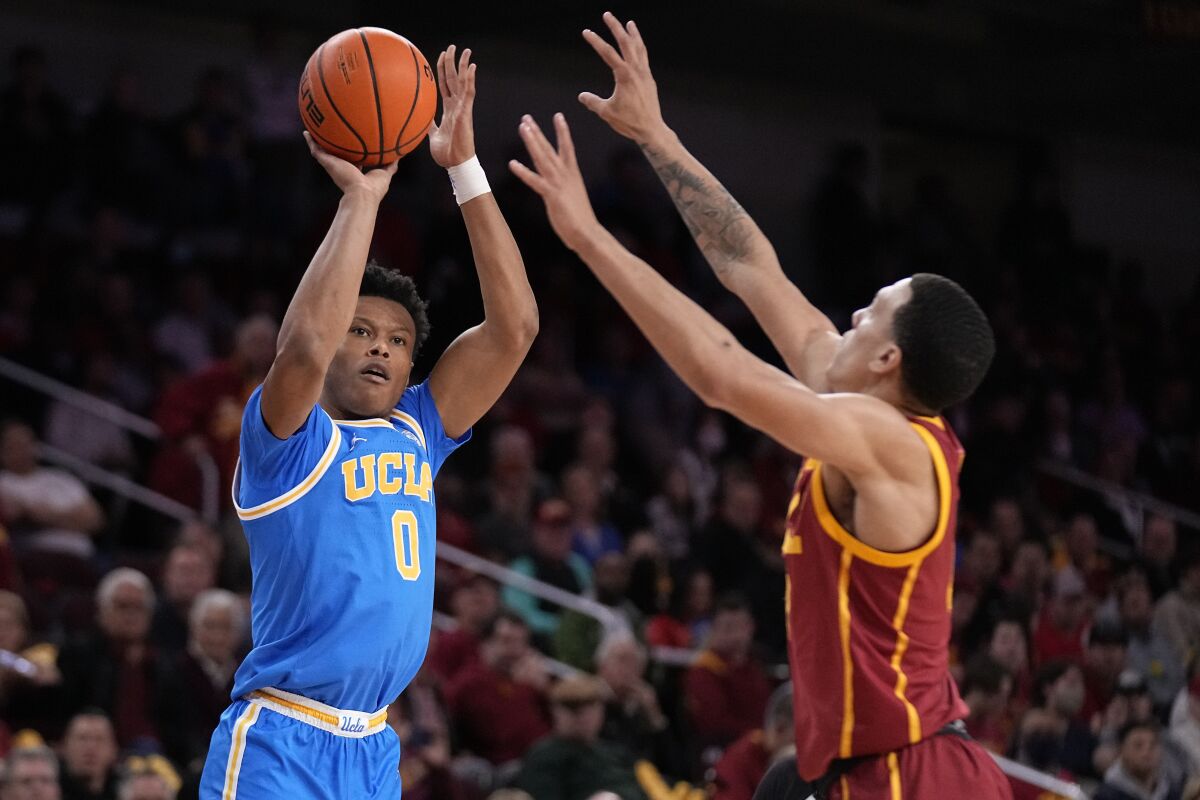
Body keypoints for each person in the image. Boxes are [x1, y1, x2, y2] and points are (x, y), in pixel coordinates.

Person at [509, 12, 1008, 799]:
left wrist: (589, 239)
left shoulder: (889, 442)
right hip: (861, 770)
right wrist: (656, 135)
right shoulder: (860, 406)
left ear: (888, 359)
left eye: (870, 311)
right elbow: (749, 266)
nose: (848, 316)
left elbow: (723, 373)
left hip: (914, 778)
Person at [198, 46, 537, 799]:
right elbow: (305, 345)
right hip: (281, 739)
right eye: (363, 332)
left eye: (398, 342)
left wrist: (464, 170)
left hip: (374, 746)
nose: (382, 347)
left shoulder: (419, 428)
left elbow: (514, 329)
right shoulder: (286, 443)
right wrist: (363, 198)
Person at [514, 675, 647, 800]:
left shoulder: (616, 752)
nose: (583, 717)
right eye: (572, 708)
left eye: (590, 706)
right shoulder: (546, 756)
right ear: (556, 711)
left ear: (601, 711)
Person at [1094, 722, 1184, 800]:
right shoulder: (1106, 796)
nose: (1146, 752)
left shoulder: (1172, 793)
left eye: (1153, 745)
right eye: (1138, 745)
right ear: (1121, 751)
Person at [57, 712, 119, 800]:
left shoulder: (126, 794)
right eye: (82, 738)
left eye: (99, 739)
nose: (91, 747)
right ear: (63, 747)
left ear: (114, 750)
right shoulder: (47, 792)